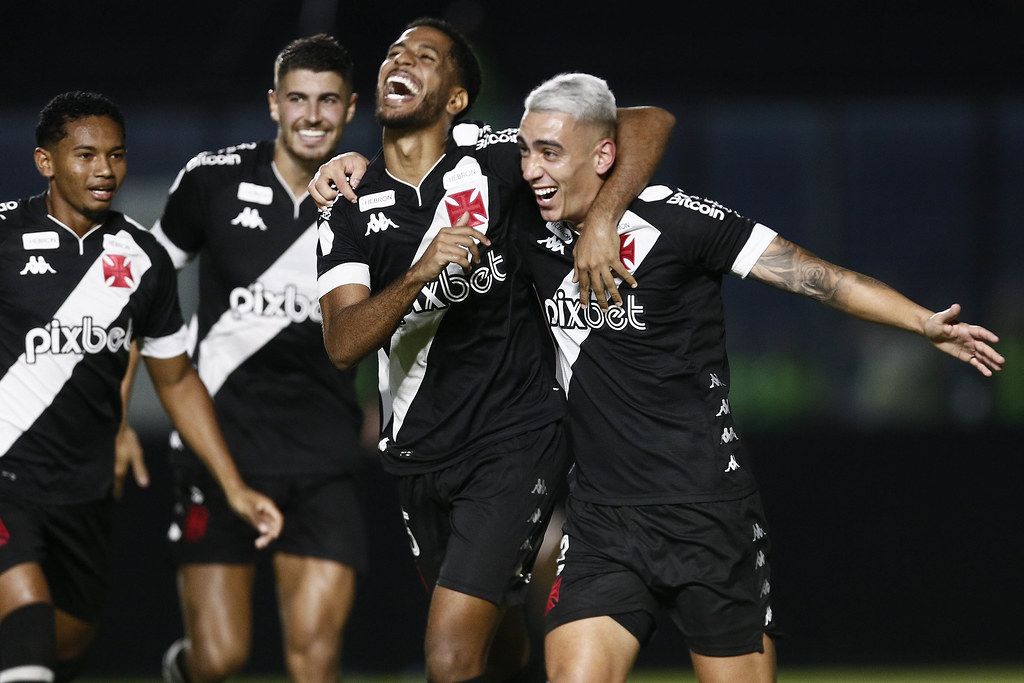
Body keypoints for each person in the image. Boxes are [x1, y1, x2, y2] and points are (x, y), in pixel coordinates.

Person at [513, 72, 1005, 683]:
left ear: (603, 156)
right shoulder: (527, 221)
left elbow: (817, 278)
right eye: (526, 152)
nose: (530, 169)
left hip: (705, 513)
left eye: (549, 153)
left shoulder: (680, 222)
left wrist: (921, 322)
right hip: (601, 520)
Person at [313, 17, 674, 683]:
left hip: (515, 439)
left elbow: (647, 122)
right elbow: (342, 344)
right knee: (500, 642)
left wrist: (600, 220)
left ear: (456, 98)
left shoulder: (499, 160)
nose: (401, 61)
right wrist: (420, 272)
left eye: (425, 56)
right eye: (394, 52)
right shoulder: (346, 204)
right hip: (418, 454)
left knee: (450, 658)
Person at [0, 92, 283, 683]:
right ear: (45, 161)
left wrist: (233, 487)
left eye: (116, 155)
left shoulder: (144, 257)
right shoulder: (4, 235)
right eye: (85, 155)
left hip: (84, 492)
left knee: (65, 646)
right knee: (27, 621)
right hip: (7, 479)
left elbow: (175, 379)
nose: (104, 170)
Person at [143, 35, 367, 683]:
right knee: (219, 659)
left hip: (322, 456)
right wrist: (116, 408)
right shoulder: (212, 179)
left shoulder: (370, 201)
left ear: (351, 108)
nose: (312, 115)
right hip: (220, 450)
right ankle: (183, 669)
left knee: (315, 659)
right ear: (273, 104)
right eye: (298, 98)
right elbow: (139, 287)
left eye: (328, 100)